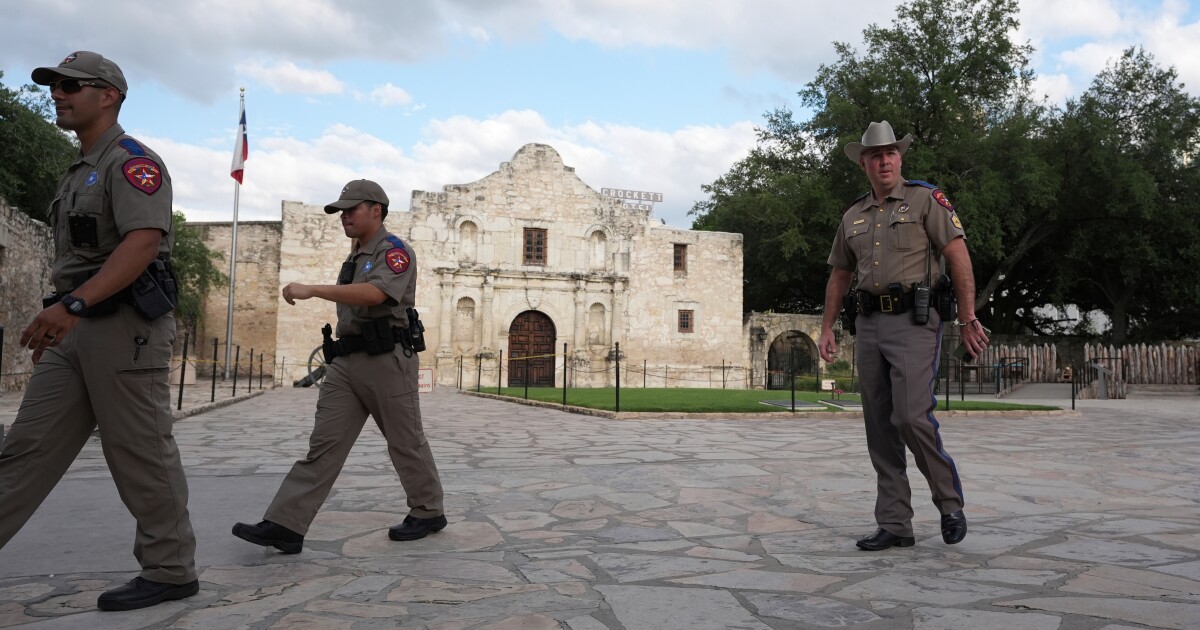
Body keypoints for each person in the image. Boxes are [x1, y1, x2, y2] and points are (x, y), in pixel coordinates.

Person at [0, 51, 198, 610]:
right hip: (76, 326)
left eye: (70, 85)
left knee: (138, 450)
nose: (57, 94)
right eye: (53, 86)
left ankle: (170, 567)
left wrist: (75, 306)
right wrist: (66, 317)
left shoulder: (132, 162)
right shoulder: (79, 169)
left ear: (107, 94)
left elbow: (142, 244)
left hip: (122, 327)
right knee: (27, 447)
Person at [233, 179, 446, 552]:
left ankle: (428, 510)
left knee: (404, 441)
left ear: (376, 210)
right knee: (324, 445)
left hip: (387, 360)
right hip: (347, 361)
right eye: (341, 210)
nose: (344, 216)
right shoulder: (355, 255)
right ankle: (286, 523)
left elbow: (378, 293)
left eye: (351, 209)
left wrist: (313, 289)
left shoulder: (394, 251)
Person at [817, 121, 990, 551]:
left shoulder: (925, 200)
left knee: (911, 416)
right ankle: (895, 523)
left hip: (915, 323)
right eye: (876, 155)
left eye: (891, 153)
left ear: (900, 158)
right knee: (879, 427)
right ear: (864, 164)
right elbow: (840, 275)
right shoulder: (852, 215)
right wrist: (826, 327)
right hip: (870, 326)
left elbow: (958, 255)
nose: (884, 161)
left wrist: (968, 317)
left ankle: (949, 502)